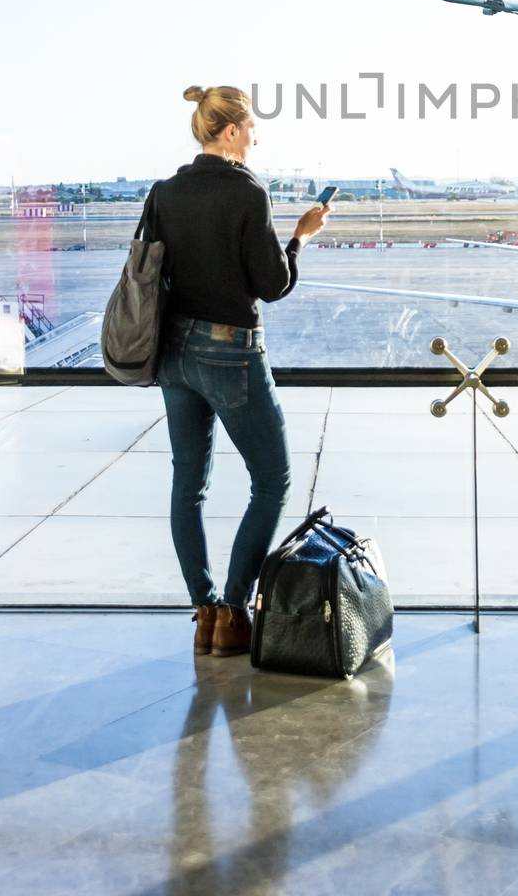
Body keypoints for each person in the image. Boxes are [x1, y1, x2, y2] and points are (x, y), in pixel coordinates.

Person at [147, 84, 331, 657]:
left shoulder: (164, 192)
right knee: (272, 480)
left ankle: (204, 613)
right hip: (230, 351)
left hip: (173, 353)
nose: (256, 137)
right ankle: (233, 610)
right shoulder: (248, 192)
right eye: (252, 127)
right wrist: (300, 238)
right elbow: (272, 286)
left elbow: (148, 271)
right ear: (230, 131)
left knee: (188, 484)